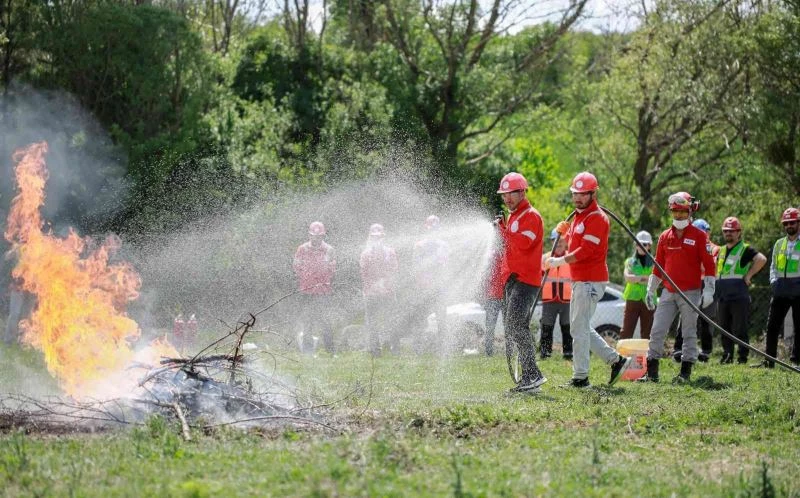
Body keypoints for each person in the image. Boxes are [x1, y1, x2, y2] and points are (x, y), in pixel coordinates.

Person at [546, 172, 631, 388]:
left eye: (583, 194)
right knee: (579, 327)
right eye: (575, 193)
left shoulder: (597, 218)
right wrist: (562, 235)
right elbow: (574, 245)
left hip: (590, 281)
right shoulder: (579, 218)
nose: (578, 198)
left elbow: (585, 251)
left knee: (579, 328)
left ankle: (581, 377)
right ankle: (616, 361)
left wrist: (560, 261)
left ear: (593, 194)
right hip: (581, 280)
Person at [641, 192, 716, 383]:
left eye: (683, 212)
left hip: (690, 292)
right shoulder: (665, 236)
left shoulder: (699, 236)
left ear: (690, 211)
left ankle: (685, 373)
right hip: (668, 292)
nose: (679, 216)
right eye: (675, 212)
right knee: (657, 329)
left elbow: (709, 265)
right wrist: (651, 289)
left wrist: (708, 290)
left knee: (689, 332)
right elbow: (658, 265)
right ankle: (652, 373)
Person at [496, 172, 547, 392]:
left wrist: (503, 231)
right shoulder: (514, 217)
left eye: (511, 194)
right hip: (513, 279)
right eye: (504, 194)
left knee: (516, 324)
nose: (507, 198)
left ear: (522, 192)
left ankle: (532, 375)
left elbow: (525, 244)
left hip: (526, 280)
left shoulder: (531, 216)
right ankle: (531, 378)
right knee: (515, 326)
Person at [714, 217, 767, 364]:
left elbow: (761, 259)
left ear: (739, 232)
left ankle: (742, 357)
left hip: (738, 295)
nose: (728, 234)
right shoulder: (722, 250)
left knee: (740, 328)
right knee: (724, 328)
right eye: (726, 231)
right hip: (722, 295)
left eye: (732, 231)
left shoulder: (745, 248)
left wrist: (749, 275)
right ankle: (727, 355)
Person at [753, 208, 800, 368]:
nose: (789, 225)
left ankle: (796, 361)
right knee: (772, 326)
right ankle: (769, 360)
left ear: (798, 223)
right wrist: (773, 281)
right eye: (786, 223)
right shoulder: (779, 243)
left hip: (798, 288)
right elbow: (773, 265)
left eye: (792, 222)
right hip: (781, 288)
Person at [673, 219, 719, 362]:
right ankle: (678, 349)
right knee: (685, 316)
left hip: (707, 284)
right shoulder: (687, 243)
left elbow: (710, 266)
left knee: (706, 318)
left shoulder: (714, 248)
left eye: (703, 232)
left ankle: (705, 351)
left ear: (708, 233)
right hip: (690, 283)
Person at [293, 221, 337, 353]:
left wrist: (322, 279)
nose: (316, 238)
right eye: (313, 236)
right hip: (306, 291)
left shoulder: (329, 250)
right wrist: (307, 278)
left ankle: (330, 350)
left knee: (325, 321)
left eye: (319, 236)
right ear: (309, 235)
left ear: (323, 236)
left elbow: (332, 270)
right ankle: (307, 351)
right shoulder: (302, 249)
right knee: (307, 321)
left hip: (323, 291)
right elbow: (296, 267)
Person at [411, 215, 450, 353]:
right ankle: (417, 348)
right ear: (426, 229)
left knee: (442, 318)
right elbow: (415, 267)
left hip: (440, 287)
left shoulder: (444, 245)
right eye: (431, 228)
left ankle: (442, 348)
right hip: (423, 287)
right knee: (420, 318)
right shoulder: (419, 246)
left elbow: (446, 264)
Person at [360, 223, 399, 356]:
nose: (377, 240)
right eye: (374, 237)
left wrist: (385, 284)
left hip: (388, 292)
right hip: (371, 293)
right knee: (372, 322)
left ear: (383, 237)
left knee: (392, 320)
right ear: (371, 238)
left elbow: (394, 270)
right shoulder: (366, 254)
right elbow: (364, 274)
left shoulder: (390, 252)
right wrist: (373, 287)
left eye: (379, 237)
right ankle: (375, 350)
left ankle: (395, 349)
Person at [540, 230, 573, 359]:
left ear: (566, 242)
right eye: (556, 240)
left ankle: (568, 353)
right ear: (552, 242)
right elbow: (539, 276)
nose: (558, 243)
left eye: (561, 241)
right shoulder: (545, 258)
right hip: (549, 299)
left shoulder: (571, 258)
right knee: (547, 326)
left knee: (567, 326)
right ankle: (545, 353)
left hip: (567, 299)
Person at [620, 230, 655, 340]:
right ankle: (622, 356)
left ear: (649, 245)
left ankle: (647, 357)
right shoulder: (630, 261)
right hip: (632, 299)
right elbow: (627, 278)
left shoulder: (655, 262)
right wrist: (643, 278)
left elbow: (655, 280)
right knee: (626, 331)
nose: (642, 246)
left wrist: (636, 278)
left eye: (645, 244)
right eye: (639, 244)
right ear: (635, 245)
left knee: (647, 333)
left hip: (649, 300)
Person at [482, 222, 505, 356]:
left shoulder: (508, 253)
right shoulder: (489, 254)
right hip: (492, 296)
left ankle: (510, 351)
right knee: (490, 326)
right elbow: (484, 275)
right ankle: (488, 352)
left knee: (509, 326)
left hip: (506, 295)